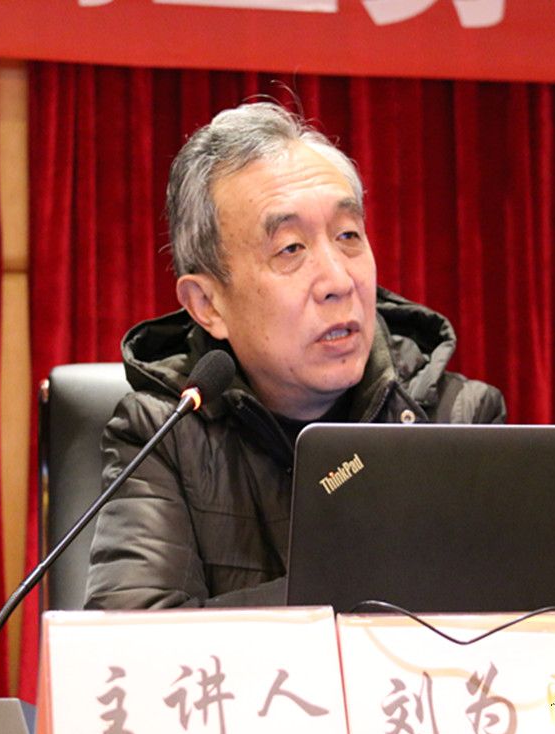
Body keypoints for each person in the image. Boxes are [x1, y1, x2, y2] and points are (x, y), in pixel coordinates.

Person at [84, 102, 505, 610]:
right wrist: (374, 591)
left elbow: (530, 637)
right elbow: (133, 639)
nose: (338, 281)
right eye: (290, 249)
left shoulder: (458, 419)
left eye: (348, 236)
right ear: (208, 304)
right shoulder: (162, 437)